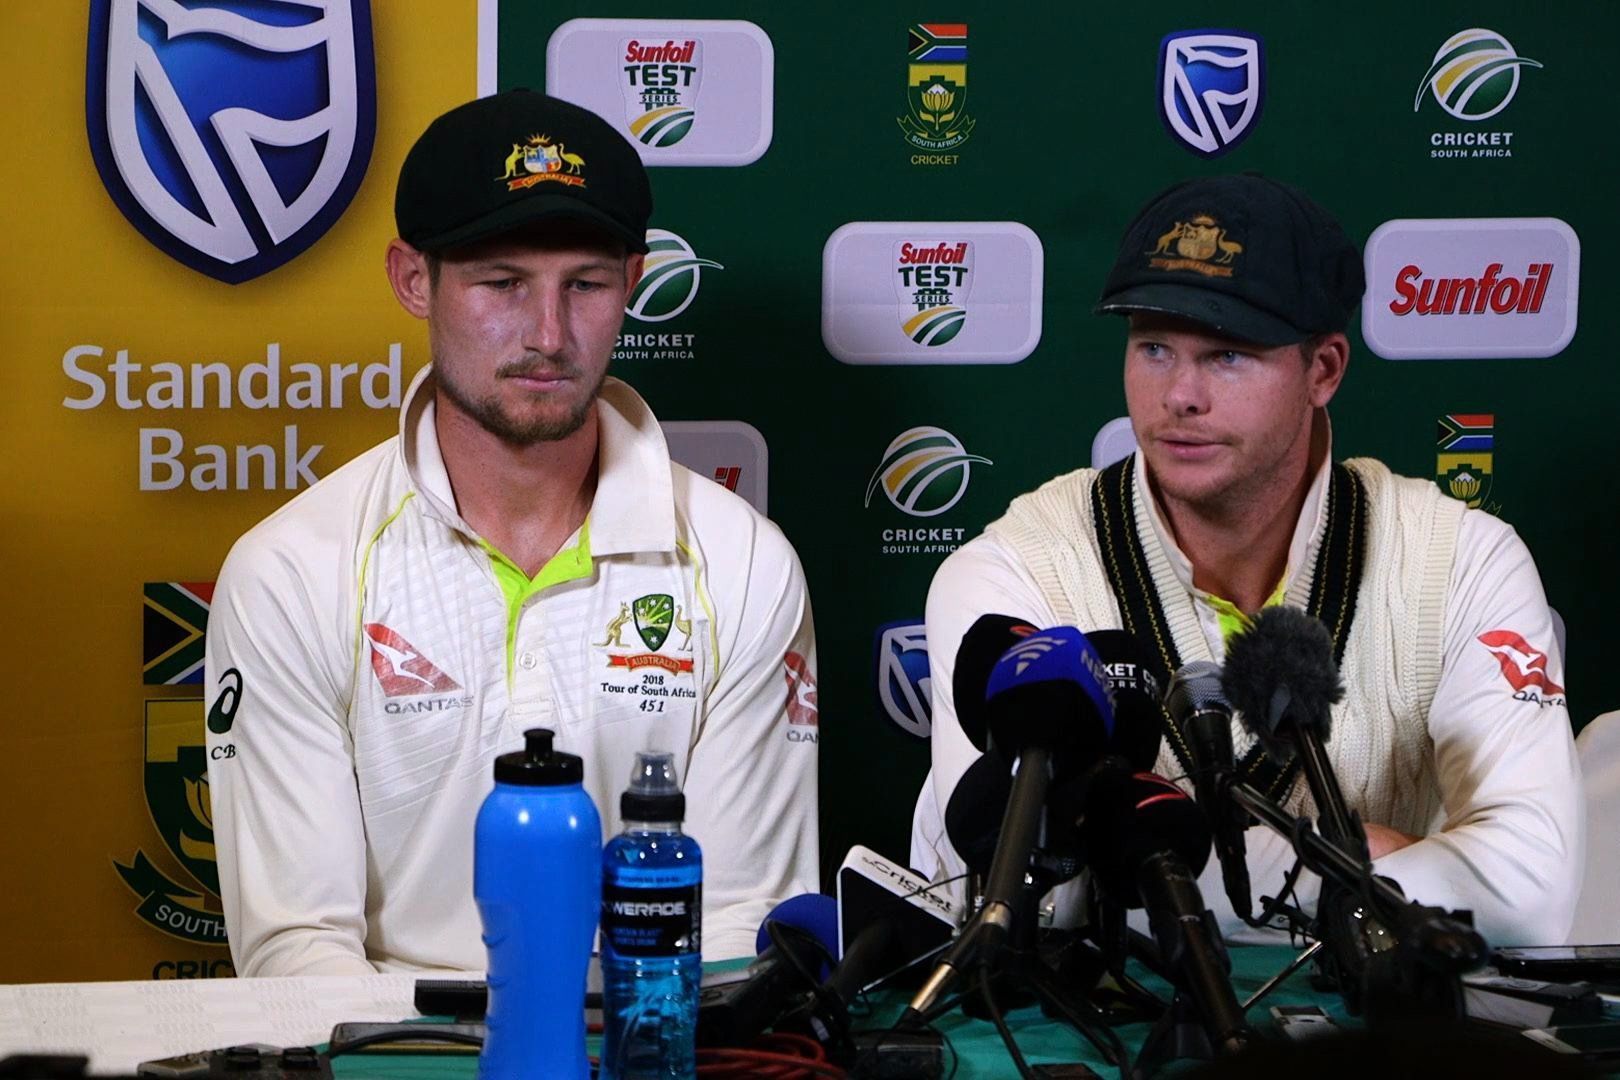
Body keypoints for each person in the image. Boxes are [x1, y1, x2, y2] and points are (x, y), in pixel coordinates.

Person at [204, 91, 819, 975]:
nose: (548, 333)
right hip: (390, 1058)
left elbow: (734, 929)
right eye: (502, 283)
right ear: (414, 279)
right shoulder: (292, 570)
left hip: (647, 1050)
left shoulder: (743, 562)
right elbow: (298, 944)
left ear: (633, 285)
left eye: (588, 285)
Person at [910, 174, 1583, 947]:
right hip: (1097, 1049)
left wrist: (1138, 856)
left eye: (1228, 355)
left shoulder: (1462, 561)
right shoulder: (1015, 569)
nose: (1181, 395)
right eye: (1153, 347)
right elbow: (1027, 893)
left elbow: (1530, 897)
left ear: (1324, 370)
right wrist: (1357, 866)